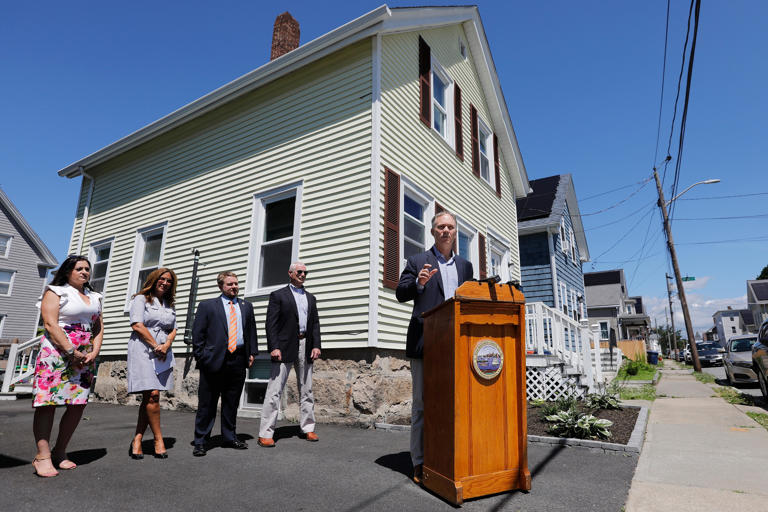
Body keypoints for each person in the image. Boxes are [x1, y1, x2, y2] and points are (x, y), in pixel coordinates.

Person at [395, 211, 473, 484]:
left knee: (454, 403)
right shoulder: (418, 261)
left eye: (450, 227)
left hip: (457, 344)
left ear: (455, 232)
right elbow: (400, 292)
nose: (446, 231)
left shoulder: (466, 266)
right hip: (425, 342)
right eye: (441, 226)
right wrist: (418, 284)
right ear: (433, 231)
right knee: (421, 405)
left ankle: (449, 457)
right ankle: (418, 461)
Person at [31, 255, 104, 477]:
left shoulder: (95, 296)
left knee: (77, 404)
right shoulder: (55, 291)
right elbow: (50, 324)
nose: (84, 272)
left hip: (84, 357)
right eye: (79, 268)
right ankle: (42, 456)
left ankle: (60, 452)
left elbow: (99, 327)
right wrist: (71, 352)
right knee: (48, 403)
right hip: (56, 352)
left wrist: (94, 351)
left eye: (87, 269)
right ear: (68, 271)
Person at [191, 271, 258, 456]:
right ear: (221, 286)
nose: (234, 287)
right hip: (213, 361)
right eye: (230, 284)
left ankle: (229, 437)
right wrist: (201, 356)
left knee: (231, 402)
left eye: (236, 284)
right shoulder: (207, 306)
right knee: (207, 403)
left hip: (237, 360)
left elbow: (251, 330)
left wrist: (252, 352)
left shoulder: (246, 306)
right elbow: (198, 334)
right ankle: (201, 441)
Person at [257, 261, 322, 447]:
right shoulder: (278, 295)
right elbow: (271, 323)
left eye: (305, 272)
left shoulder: (311, 298)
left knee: (307, 390)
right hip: (284, 346)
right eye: (299, 272)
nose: (302, 274)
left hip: (306, 345)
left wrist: (316, 345)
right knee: (274, 390)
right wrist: (273, 347)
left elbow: (315, 323)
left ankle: (308, 428)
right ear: (290, 273)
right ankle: (266, 433)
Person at [127, 268, 178, 459]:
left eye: (169, 281)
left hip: (163, 351)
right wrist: (156, 345)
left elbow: (174, 328)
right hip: (143, 348)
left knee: (150, 397)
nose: (165, 283)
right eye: (162, 279)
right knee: (153, 395)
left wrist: (166, 345)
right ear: (154, 279)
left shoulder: (169, 303)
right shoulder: (141, 299)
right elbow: (137, 325)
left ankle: (138, 439)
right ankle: (158, 439)